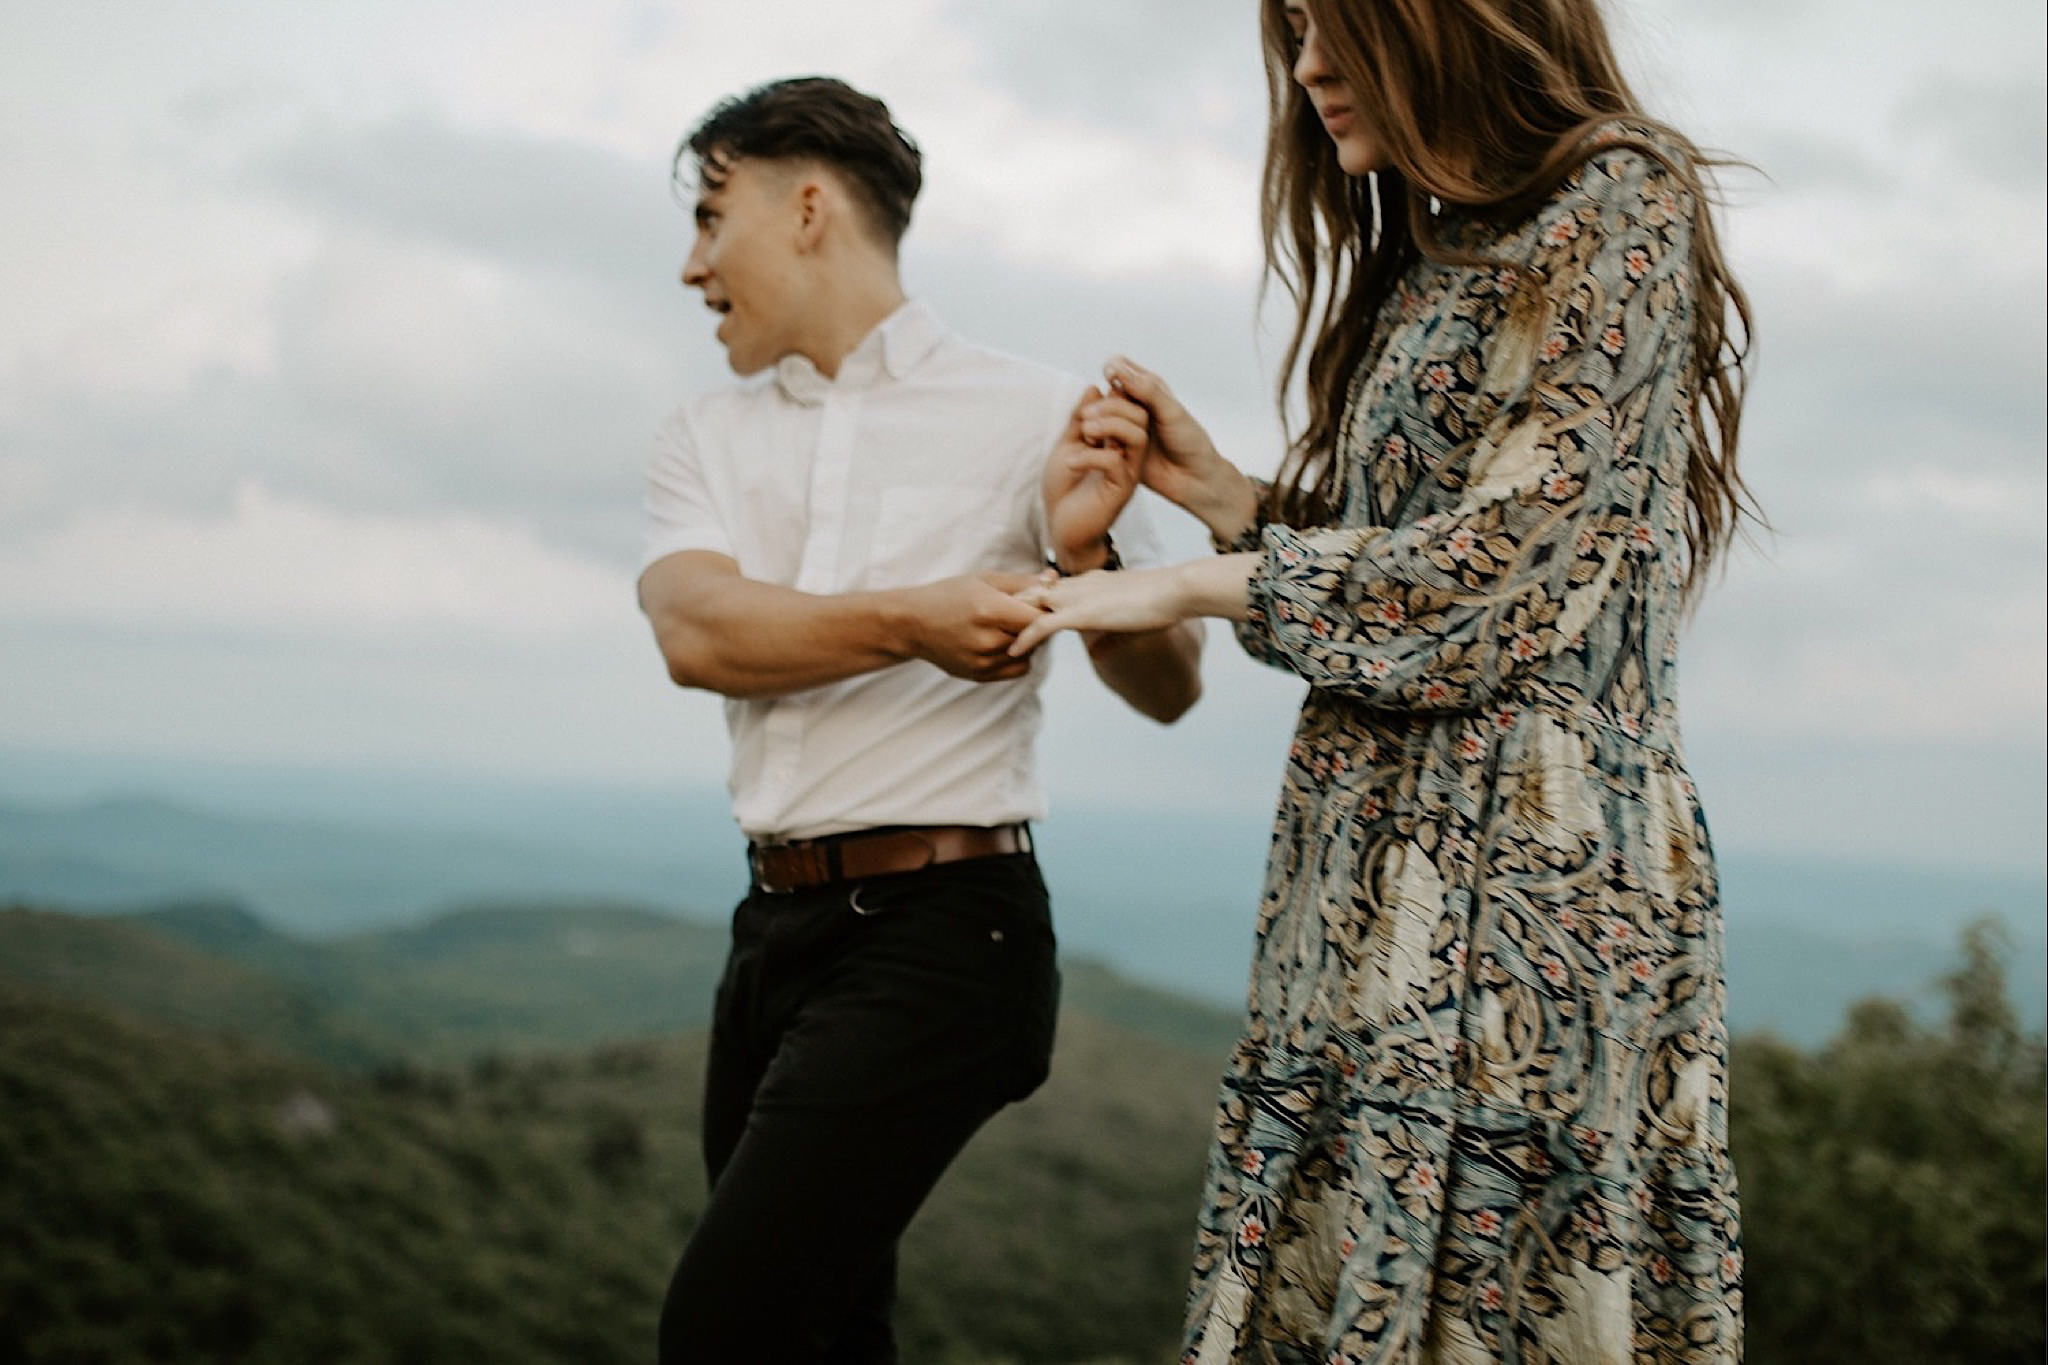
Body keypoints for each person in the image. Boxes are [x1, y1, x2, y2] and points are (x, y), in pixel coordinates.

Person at [1010, 1, 1755, 1360]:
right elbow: (1399, 565)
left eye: (1332, 23)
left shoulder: (1621, 199)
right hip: (1363, 866)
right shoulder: (1429, 248)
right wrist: (1229, 501)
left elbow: (1502, 573)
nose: (1306, 70)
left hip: (1529, 877)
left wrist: (1181, 581)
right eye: (1290, 29)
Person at [635, 76, 1203, 1363]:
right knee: (826, 1334)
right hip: (771, 930)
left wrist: (1087, 549)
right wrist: (915, 619)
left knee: (724, 1332)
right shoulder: (701, 438)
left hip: (947, 934)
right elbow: (696, 636)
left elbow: (1169, 686)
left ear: (808, 206)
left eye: (710, 217)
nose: (691, 266)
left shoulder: (1033, 413)